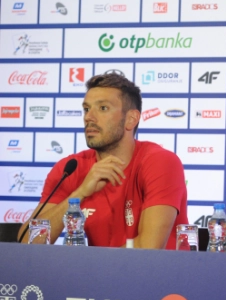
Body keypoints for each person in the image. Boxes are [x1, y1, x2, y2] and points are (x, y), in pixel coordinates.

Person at [19, 73, 188, 248]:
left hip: (157, 267)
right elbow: (27, 243)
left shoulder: (160, 162)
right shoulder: (70, 168)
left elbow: (148, 247)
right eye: (86, 109)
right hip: (100, 266)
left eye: (103, 108)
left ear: (131, 119)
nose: (89, 117)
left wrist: (90, 265)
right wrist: (80, 193)